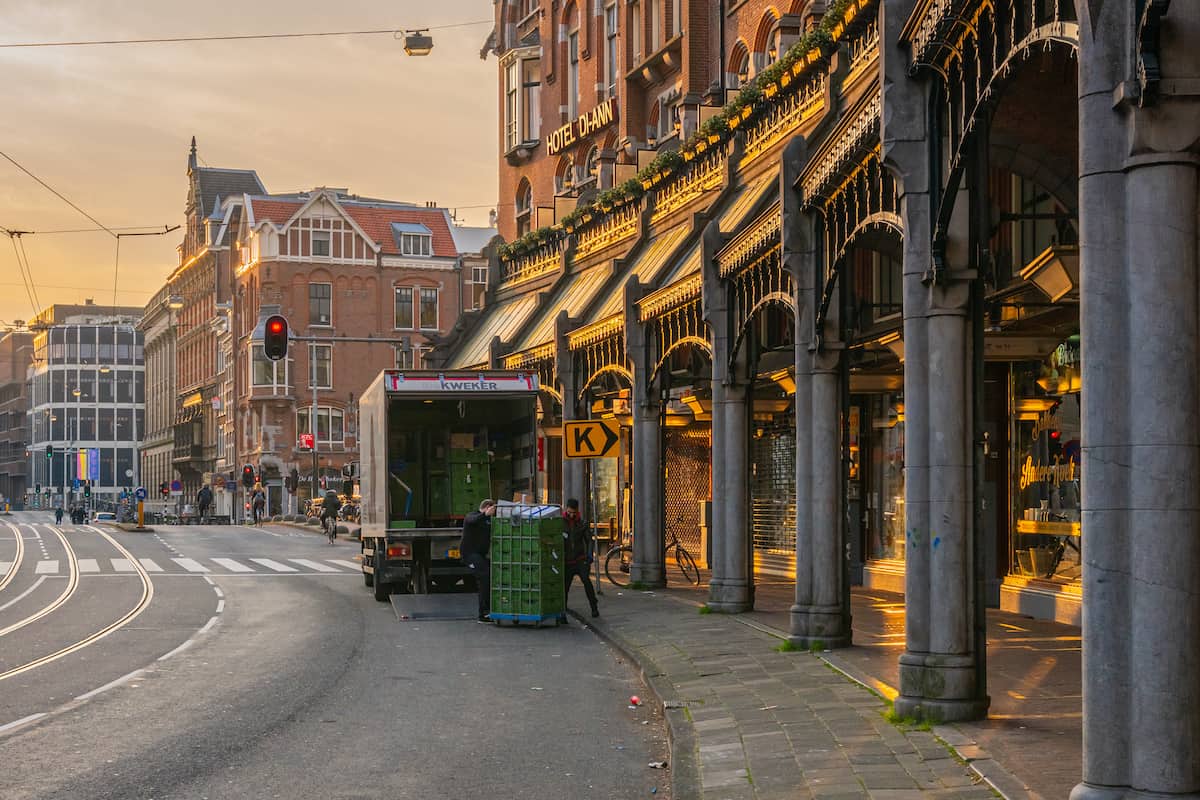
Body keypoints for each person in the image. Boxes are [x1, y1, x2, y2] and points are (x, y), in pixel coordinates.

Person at [562, 498, 599, 618]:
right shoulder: (561, 522)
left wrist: (589, 554)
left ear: (577, 511)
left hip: (580, 559)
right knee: (565, 586)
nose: (572, 515)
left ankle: (594, 606)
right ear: (566, 509)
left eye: (574, 512)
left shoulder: (582, 523)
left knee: (586, 581)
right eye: (570, 512)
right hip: (567, 561)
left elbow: (589, 540)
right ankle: (563, 610)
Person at [461, 499, 496, 621]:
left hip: (481, 555)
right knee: (485, 576)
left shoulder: (488, 520)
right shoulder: (472, 516)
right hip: (470, 554)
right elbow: (473, 520)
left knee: (492, 575)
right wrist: (484, 514)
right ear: (487, 507)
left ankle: (491, 608)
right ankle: (483, 613)